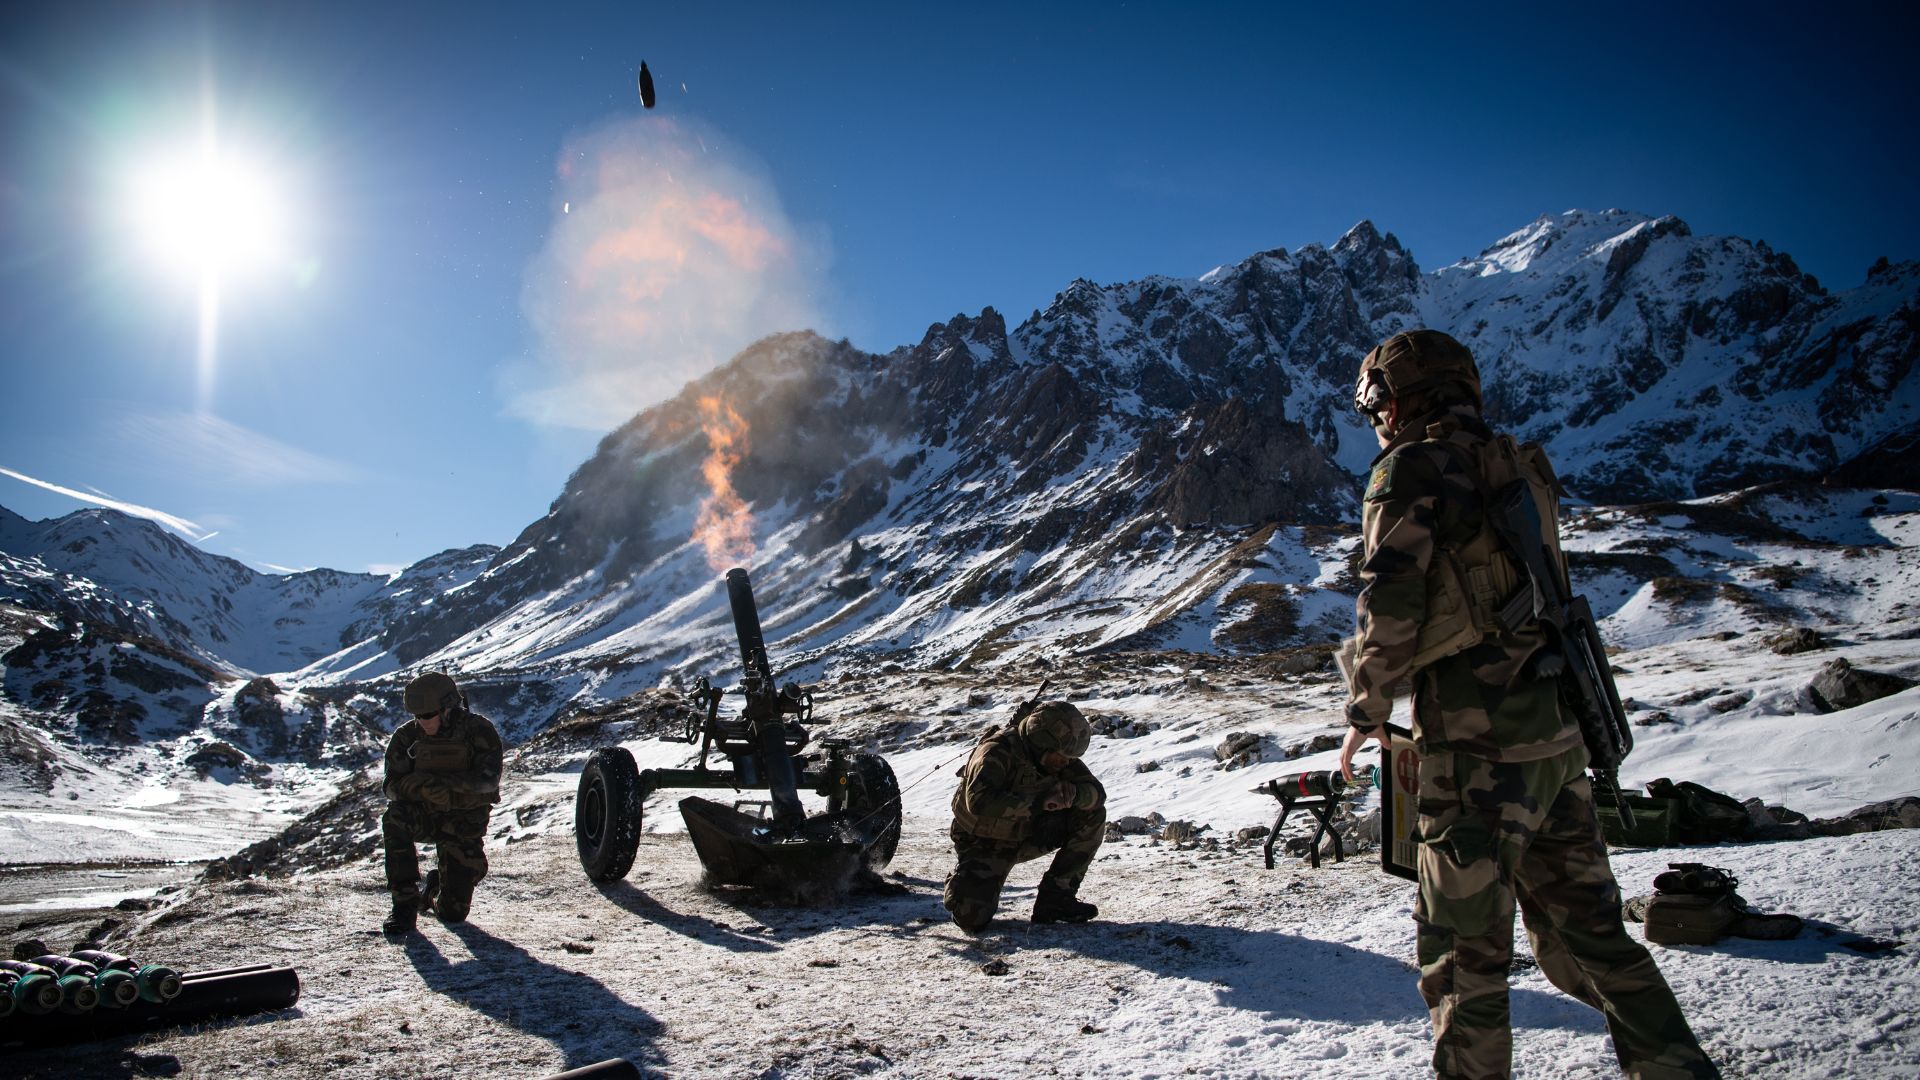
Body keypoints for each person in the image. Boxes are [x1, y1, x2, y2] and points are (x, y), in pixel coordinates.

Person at [1335, 329, 1718, 1079]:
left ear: (1405, 395)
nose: (1375, 418)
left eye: (1377, 401)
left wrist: (1365, 712)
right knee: (1596, 943)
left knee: (1463, 960)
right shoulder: (1516, 463)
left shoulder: (1413, 467)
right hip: (1554, 743)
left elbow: (1391, 600)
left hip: (1476, 756)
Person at [943, 700, 1106, 933]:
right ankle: (961, 883)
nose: (1068, 762)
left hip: (1028, 833)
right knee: (971, 918)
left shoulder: (1056, 759)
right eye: (1062, 756)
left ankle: (1056, 900)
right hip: (984, 842)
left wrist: (1075, 796)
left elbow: (1098, 794)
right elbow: (979, 802)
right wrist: (1040, 802)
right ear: (1043, 744)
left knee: (1092, 814)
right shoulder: (995, 751)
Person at [381, 671, 503, 935]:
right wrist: (417, 787)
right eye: (417, 716)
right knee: (394, 817)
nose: (421, 722)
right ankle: (404, 905)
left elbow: (488, 781)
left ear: (447, 708)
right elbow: (390, 786)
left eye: (427, 715)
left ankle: (437, 887)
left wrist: (446, 788)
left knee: (454, 912)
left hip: (463, 822)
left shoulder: (478, 731)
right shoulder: (407, 737)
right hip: (425, 816)